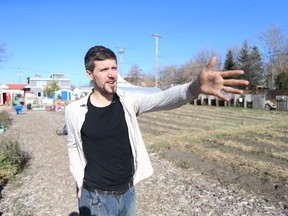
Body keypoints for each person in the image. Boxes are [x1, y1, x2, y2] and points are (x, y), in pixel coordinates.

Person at [65, 45, 248, 216]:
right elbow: (73, 145)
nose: (112, 74)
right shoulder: (75, 111)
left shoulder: (127, 102)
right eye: (104, 70)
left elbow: (162, 99)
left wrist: (195, 87)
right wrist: (79, 180)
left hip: (128, 192)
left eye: (114, 68)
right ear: (90, 74)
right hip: (96, 198)